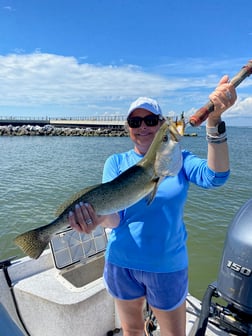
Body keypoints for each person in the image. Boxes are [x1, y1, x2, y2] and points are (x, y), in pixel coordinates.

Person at [68, 75, 237, 336]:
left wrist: (214, 121)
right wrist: (97, 219)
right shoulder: (115, 162)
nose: (143, 127)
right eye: (135, 122)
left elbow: (216, 177)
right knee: (132, 330)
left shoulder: (180, 161)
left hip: (166, 265)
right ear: (128, 127)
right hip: (121, 262)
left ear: (160, 125)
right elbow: (116, 219)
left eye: (150, 120)